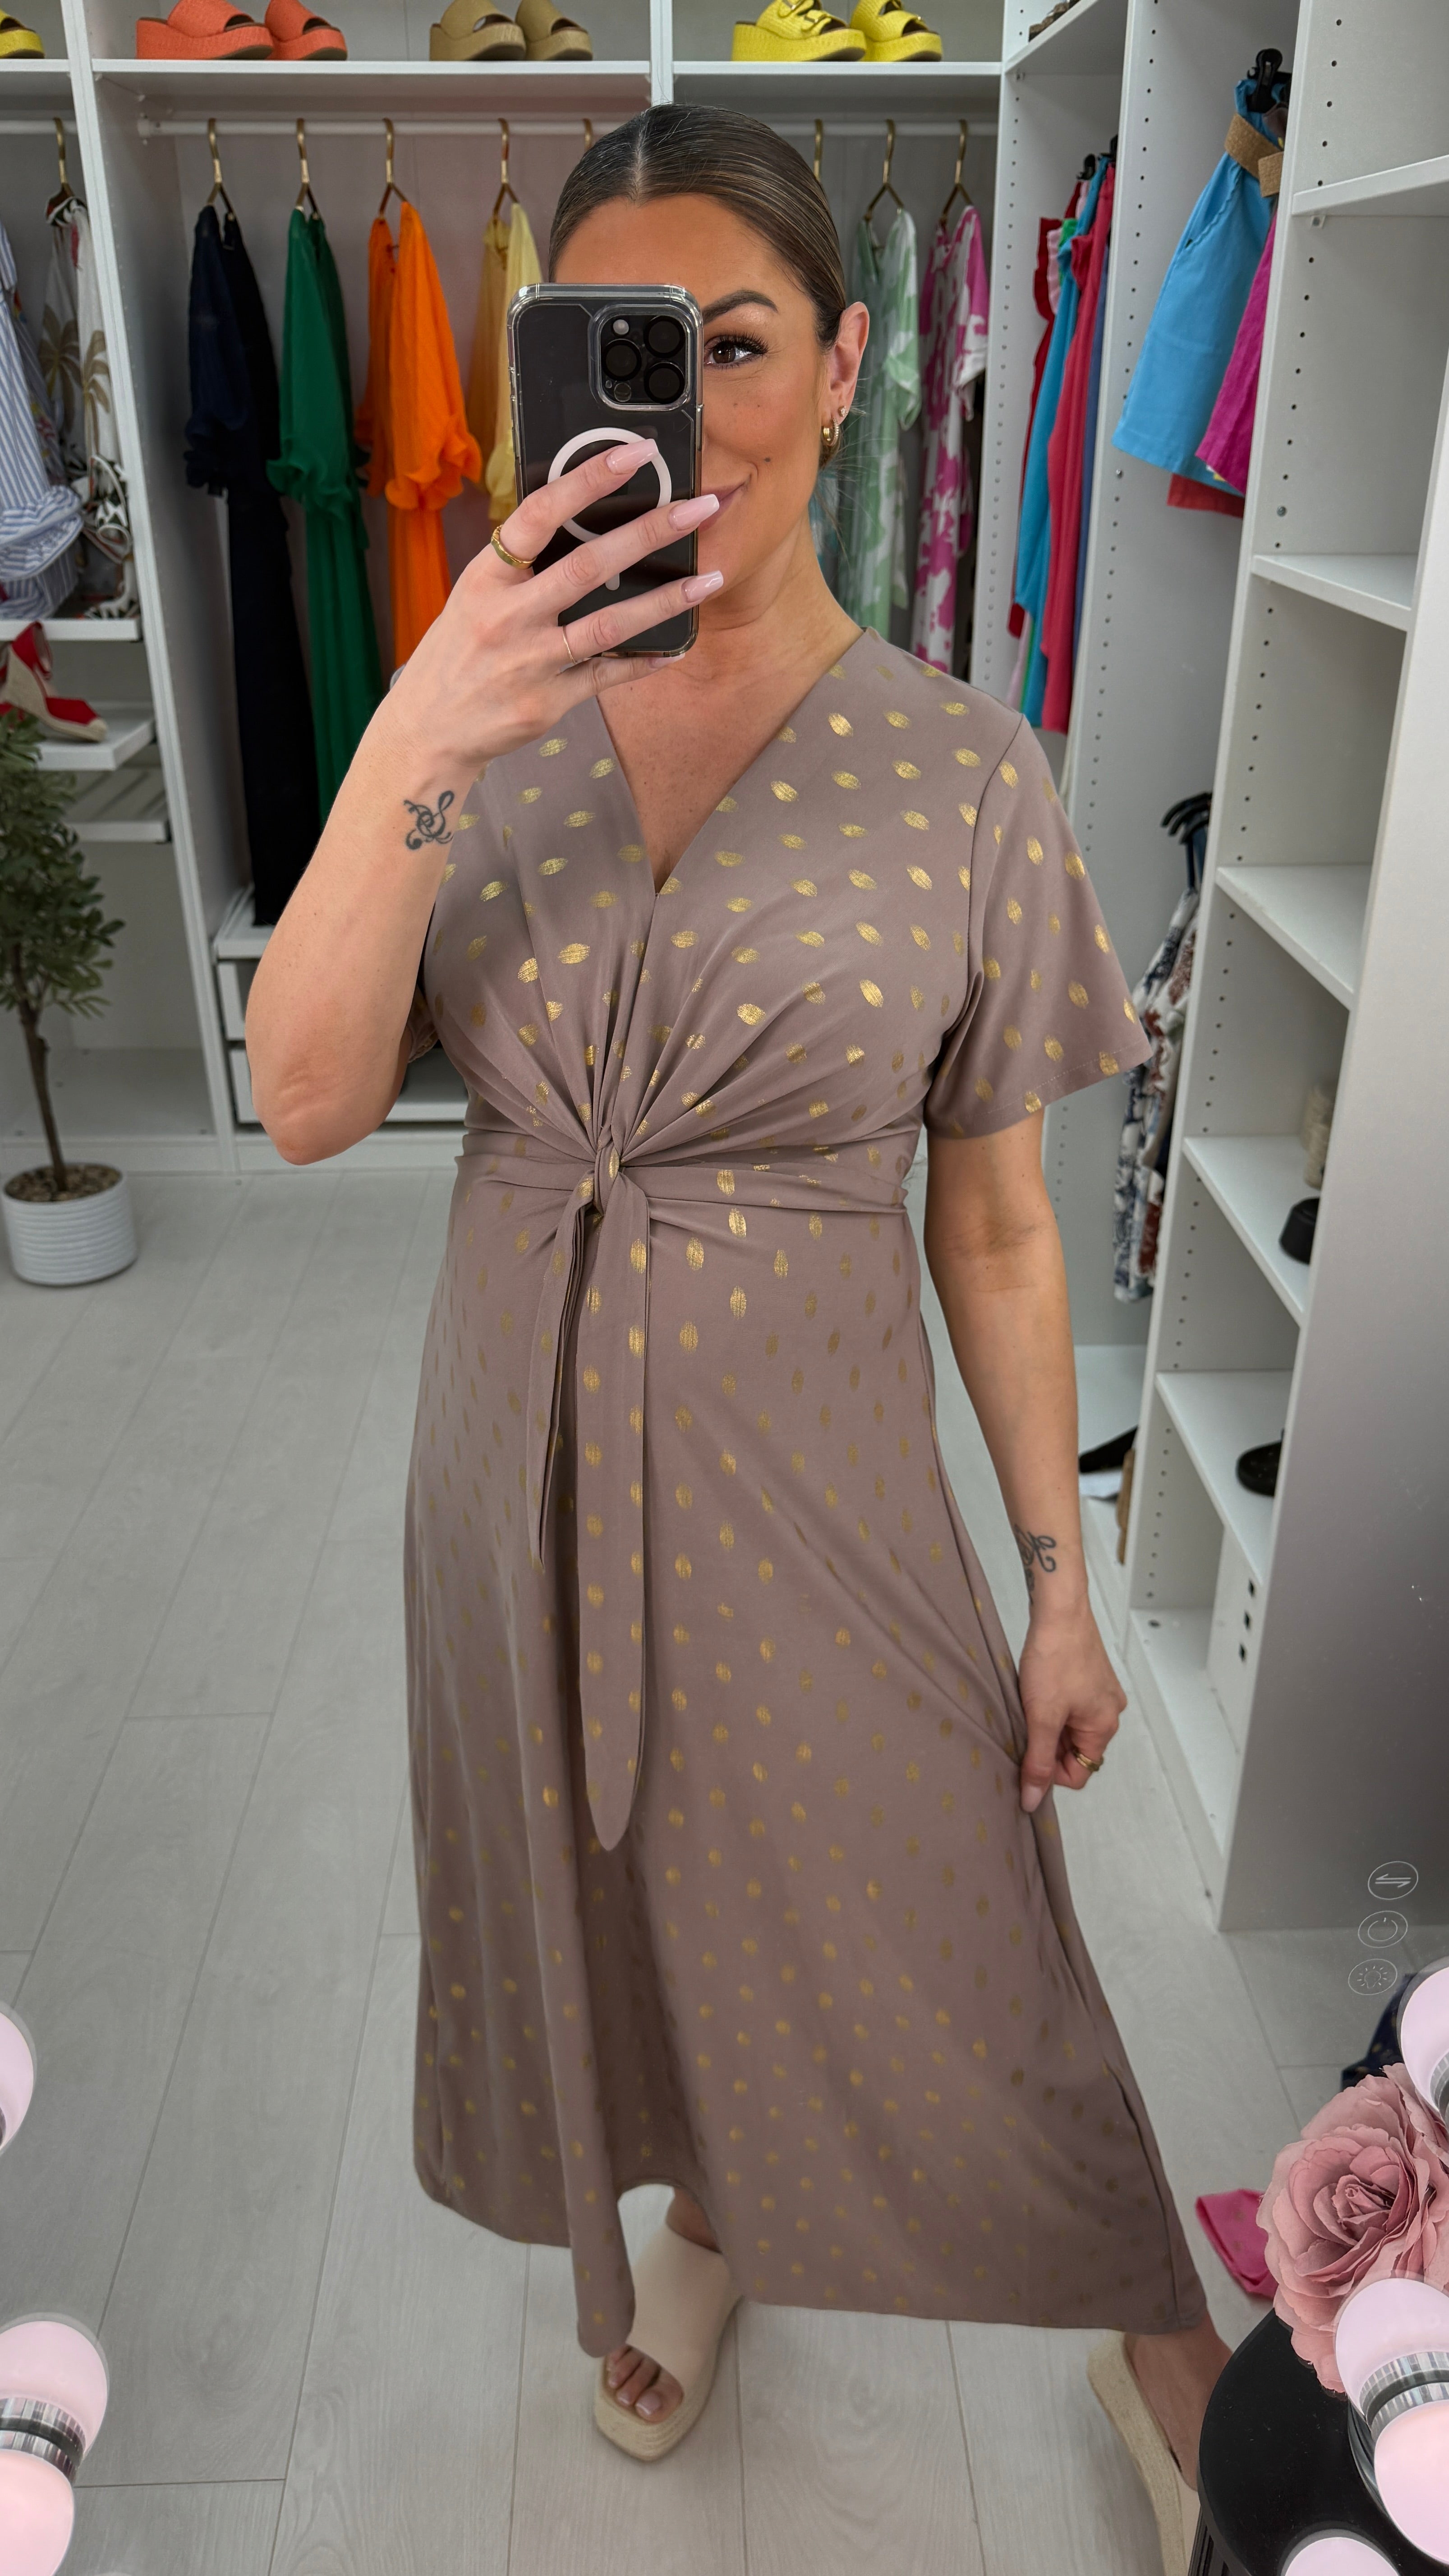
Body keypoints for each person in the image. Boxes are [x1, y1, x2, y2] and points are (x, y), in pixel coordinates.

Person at [245, 103, 1228, 2575]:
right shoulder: (480, 728)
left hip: (816, 1465)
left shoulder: (966, 767)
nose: (690, 400)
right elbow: (307, 1104)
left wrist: (1058, 1582)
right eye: (627, 343)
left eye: (744, 341)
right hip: (509, 1465)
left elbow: (996, 1223)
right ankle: (700, 2219)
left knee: (950, 1899)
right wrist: (422, 724)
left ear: (856, 362)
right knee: (599, 1873)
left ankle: (1154, 2325)